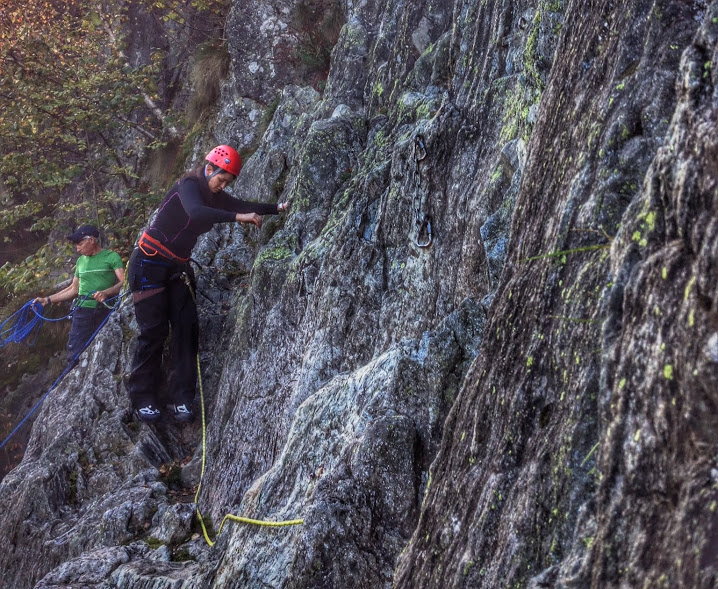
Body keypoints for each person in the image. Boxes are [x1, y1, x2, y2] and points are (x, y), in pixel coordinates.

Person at [127, 144, 289, 423]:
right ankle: (142, 399)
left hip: (177, 266)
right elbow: (196, 213)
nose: (221, 186)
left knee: (186, 330)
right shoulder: (189, 185)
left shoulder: (214, 194)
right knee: (153, 332)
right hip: (149, 264)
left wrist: (277, 208)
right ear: (209, 168)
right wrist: (238, 218)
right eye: (221, 179)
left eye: (227, 182)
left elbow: (242, 205)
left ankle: (182, 399)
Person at [34, 224, 125, 367]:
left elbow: (124, 282)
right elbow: (73, 289)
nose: (78, 248)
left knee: (105, 350)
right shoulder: (81, 261)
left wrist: (106, 292)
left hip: (104, 310)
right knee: (74, 352)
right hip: (82, 311)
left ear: (92, 240)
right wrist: (47, 300)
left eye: (80, 244)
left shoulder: (111, 257)